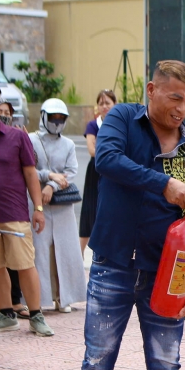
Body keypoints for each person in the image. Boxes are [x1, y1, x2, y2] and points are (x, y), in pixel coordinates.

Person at [60, 59, 185, 370]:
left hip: (166, 274)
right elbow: (107, 161)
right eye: (173, 98)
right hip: (113, 265)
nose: (181, 108)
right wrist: (163, 183)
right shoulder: (123, 118)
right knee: (95, 365)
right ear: (151, 90)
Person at [0, 83, 54, 337]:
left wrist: (37, 208)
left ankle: (36, 315)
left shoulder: (17, 137)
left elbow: (30, 174)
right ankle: (6, 314)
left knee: (25, 264)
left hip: (15, 213)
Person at [29, 98, 87, 312]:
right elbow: (26, 169)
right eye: (53, 117)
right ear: (43, 116)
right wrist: (47, 175)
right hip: (36, 201)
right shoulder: (31, 140)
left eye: (61, 118)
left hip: (62, 203)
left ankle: (64, 298)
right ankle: (41, 298)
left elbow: (72, 171)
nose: (57, 121)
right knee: (40, 251)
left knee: (65, 250)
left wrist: (52, 185)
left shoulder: (69, 144)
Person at [79, 89, 116, 254]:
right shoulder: (93, 125)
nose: (104, 106)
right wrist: (111, 152)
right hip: (95, 171)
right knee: (90, 209)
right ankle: (79, 255)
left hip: (113, 172)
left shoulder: (118, 124)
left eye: (107, 102)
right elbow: (91, 150)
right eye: (101, 103)